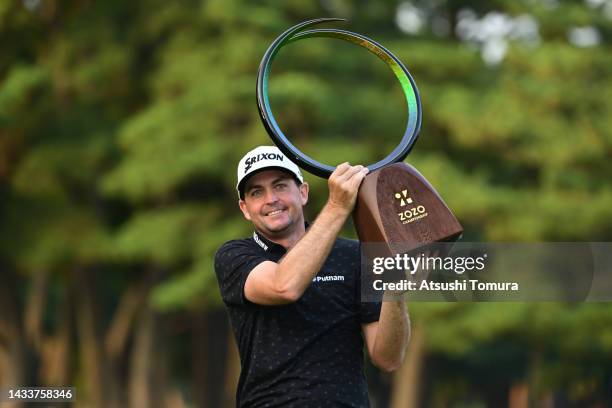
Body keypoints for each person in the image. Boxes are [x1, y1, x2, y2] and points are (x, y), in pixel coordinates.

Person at [214, 146, 410, 407]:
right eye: (256, 192)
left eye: (281, 185)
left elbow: (388, 358)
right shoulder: (235, 256)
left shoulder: (354, 255)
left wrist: (396, 287)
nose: (271, 198)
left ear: (303, 192)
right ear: (245, 208)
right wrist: (339, 206)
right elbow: (284, 286)